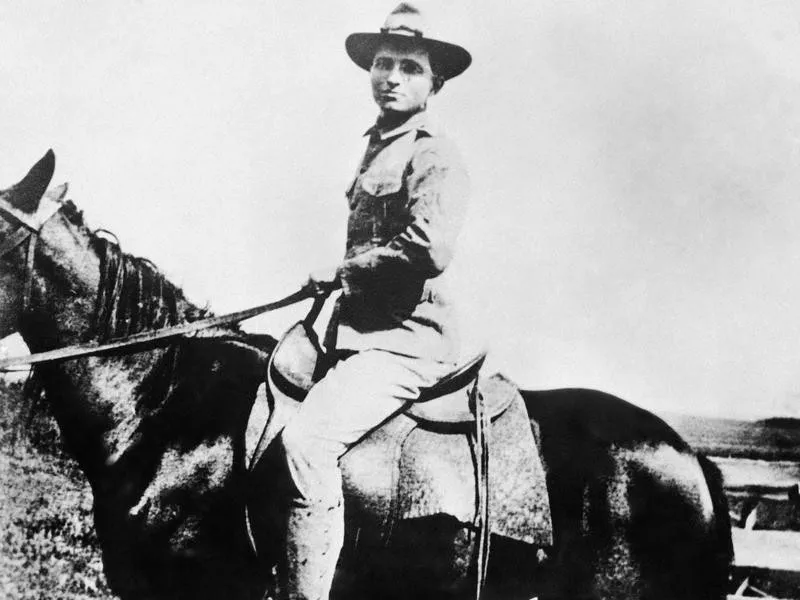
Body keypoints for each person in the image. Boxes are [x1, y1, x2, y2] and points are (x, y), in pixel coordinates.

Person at [278, 4, 472, 598]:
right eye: (383, 63)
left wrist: (341, 272)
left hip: (405, 342)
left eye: (409, 68)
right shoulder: (376, 145)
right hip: (356, 335)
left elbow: (429, 247)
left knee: (306, 443)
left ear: (433, 83)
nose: (390, 76)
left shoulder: (432, 152)